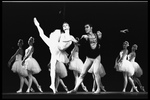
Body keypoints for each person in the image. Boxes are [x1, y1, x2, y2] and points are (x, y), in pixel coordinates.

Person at [33, 17, 78, 94]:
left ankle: (53, 85)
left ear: (69, 26)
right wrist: (37, 25)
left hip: (59, 51)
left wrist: (78, 40)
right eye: (64, 26)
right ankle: (53, 85)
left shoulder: (70, 36)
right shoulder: (63, 35)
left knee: (53, 65)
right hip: (55, 47)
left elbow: (77, 43)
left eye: (66, 25)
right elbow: (62, 40)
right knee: (52, 67)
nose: (65, 26)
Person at [68, 24, 105, 94]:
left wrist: (100, 38)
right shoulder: (85, 36)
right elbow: (79, 44)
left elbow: (100, 44)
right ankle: (75, 89)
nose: (86, 28)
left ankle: (98, 89)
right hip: (89, 57)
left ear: (91, 28)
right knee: (82, 74)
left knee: (96, 72)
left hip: (97, 56)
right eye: (85, 27)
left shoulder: (97, 34)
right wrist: (77, 39)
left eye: (87, 27)